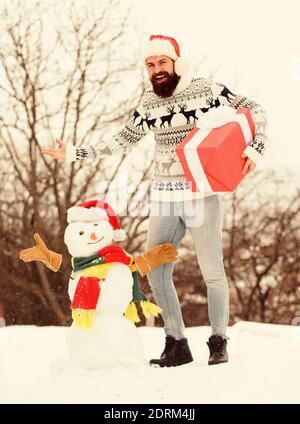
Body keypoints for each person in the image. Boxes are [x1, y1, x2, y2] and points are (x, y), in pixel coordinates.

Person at [43, 34, 268, 367]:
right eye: (150, 65)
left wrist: (256, 146)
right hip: (163, 197)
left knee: (212, 272)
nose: (157, 69)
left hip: (201, 193)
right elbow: (123, 139)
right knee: (158, 272)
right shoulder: (149, 101)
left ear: (176, 62)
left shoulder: (207, 90)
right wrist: (75, 152)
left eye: (162, 62)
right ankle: (176, 343)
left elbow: (255, 109)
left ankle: (218, 340)